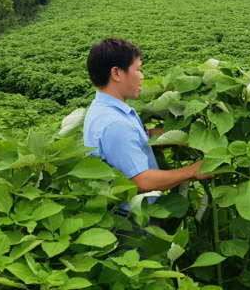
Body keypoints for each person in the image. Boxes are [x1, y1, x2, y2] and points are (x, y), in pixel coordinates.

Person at [83, 38, 212, 217]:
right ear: (117, 73)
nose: (142, 76)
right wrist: (193, 170)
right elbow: (142, 181)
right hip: (132, 221)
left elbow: (142, 139)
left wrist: (191, 135)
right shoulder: (115, 123)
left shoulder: (104, 109)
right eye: (138, 69)